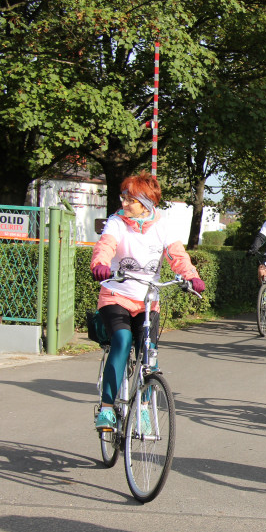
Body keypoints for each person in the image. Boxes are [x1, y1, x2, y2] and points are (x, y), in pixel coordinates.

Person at [90, 172, 205, 432]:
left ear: (146, 203)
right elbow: (105, 246)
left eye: (130, 199)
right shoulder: (116, 223)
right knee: (121, 341)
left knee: (148, 357)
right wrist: (100, 264)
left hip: (147, 302)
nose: (124, 203)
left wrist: (191, 276)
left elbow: (177, 256)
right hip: (116, 296)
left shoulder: (163, 227)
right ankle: (107, 409)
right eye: (124, 197)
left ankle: (141, 409)